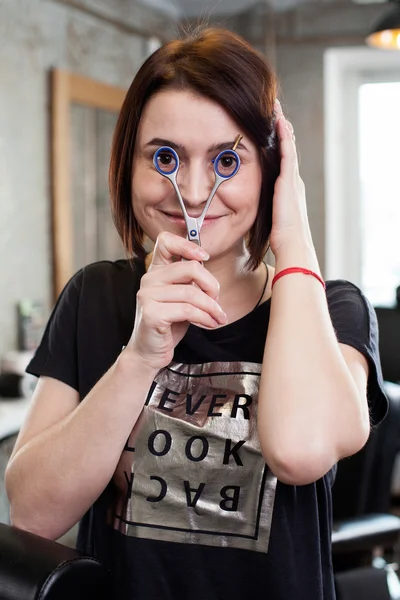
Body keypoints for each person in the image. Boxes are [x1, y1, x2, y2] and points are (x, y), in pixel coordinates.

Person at [5, 27, 387, 600]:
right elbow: (33, 514)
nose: (192, 188)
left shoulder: (331, 309)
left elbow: (300, 451)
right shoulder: (96, 296)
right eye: (164, 157)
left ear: (272, 170)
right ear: (129, 165)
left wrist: (295, 240)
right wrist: (139, 359)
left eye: (227, 160)